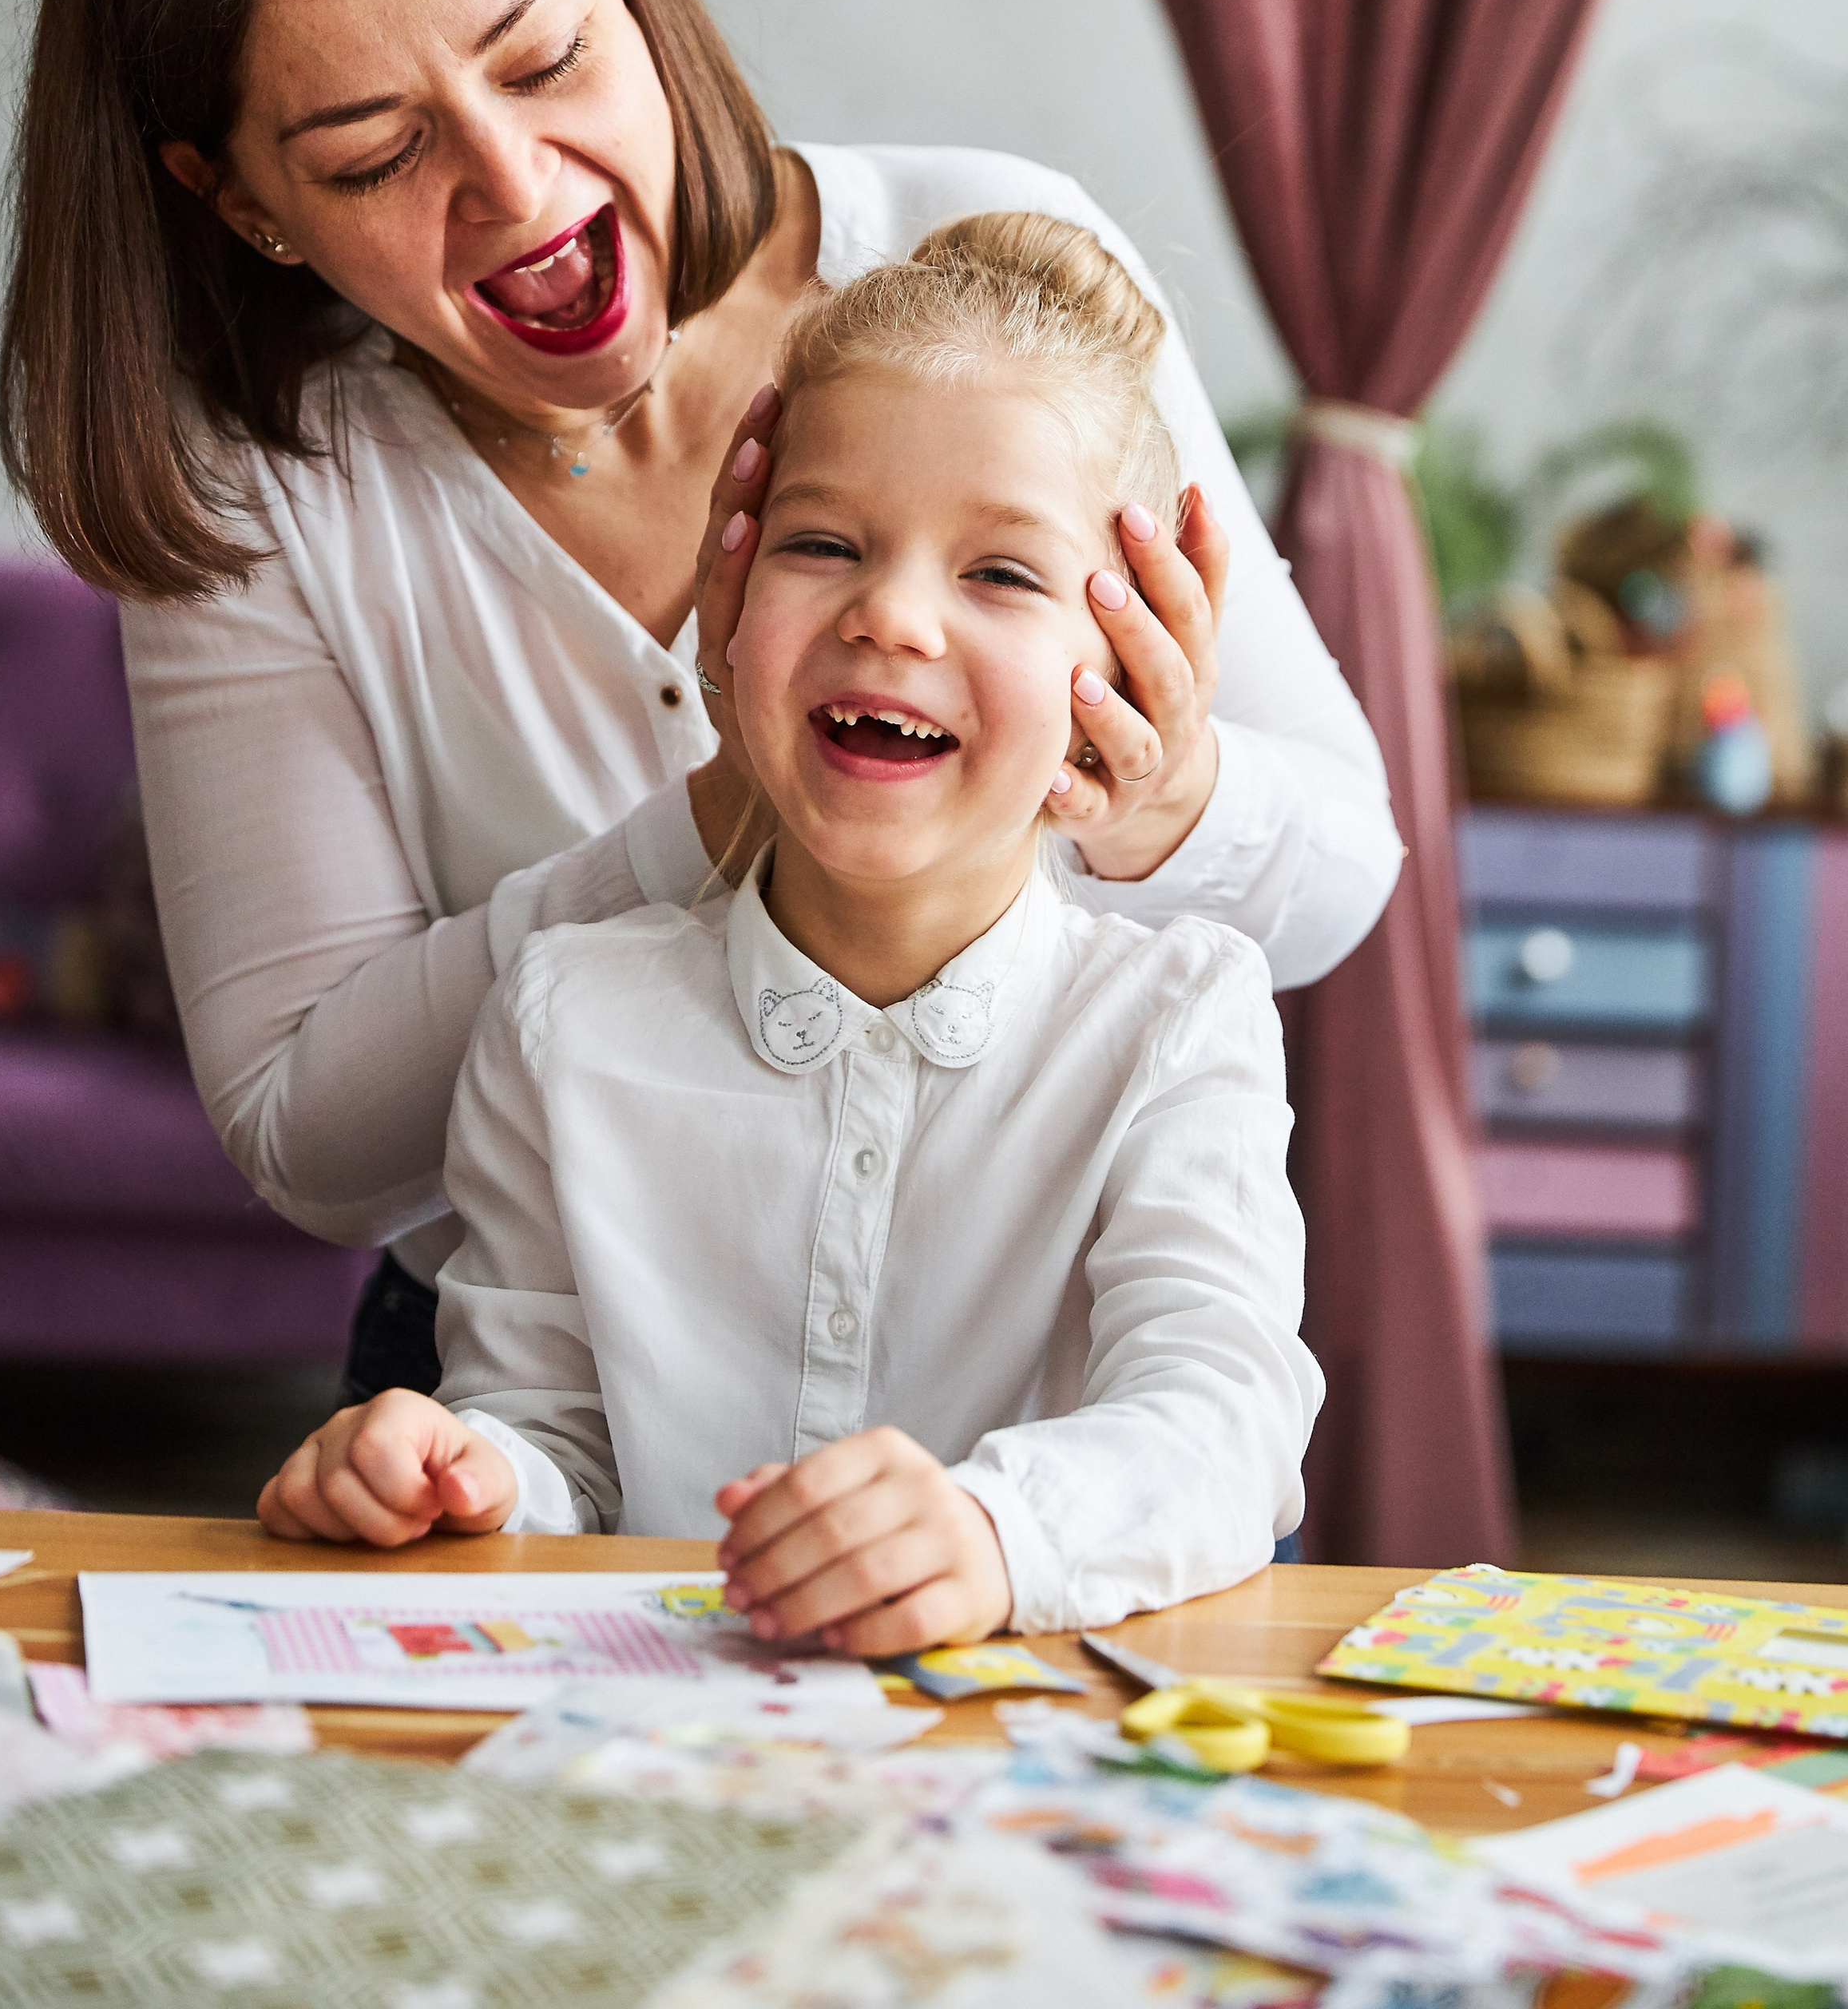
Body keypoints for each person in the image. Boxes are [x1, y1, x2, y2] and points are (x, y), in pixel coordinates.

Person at [0, 0, 1400, 1405]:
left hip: (1051, 1380)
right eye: (371, 153)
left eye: (548, 58)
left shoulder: (982, 263)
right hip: (547, 1389)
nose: (513, 184)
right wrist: (736, 800)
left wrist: (1161, 796)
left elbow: (1337, 873)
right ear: (239, 202)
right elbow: (309, 1135)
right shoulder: (262, 487)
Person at [257, 218, 1321, 1641]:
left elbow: (1224, 1416)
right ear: (732, 597)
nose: (891, 615)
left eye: (999, 574)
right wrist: (465, 1473)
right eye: (825, 545)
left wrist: (999, 1533)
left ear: (1123, 659)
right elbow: (550, 1436)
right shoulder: (563, 1016)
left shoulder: (1181, 1021)